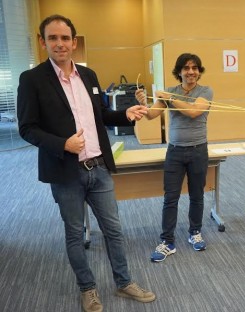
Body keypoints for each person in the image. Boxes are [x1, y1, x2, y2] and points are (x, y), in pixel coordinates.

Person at [16, 15, 155, 312]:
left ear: (74, 42)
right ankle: (88, 289)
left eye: (65, 38)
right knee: (75, 234)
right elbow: (27, 128)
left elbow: (100, 115)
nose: (60, 44)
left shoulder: (88, 75)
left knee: (114, 230)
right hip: (65, 172)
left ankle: (124, 281)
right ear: (43, 42)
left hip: (99, 168)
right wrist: (63, 144)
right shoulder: (33, 79)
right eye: (53, 38)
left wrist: (125, 114)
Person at [135, 53, 213, 262]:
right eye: (186, 68)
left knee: (197, 195)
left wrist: (170, 98)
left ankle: (195, 232)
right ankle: (167, 241)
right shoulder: (169, 92)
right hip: (175, 151)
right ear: (179, 72)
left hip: (198, 150)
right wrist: (143, 104)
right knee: (171, 198)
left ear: (199, 71)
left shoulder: (205, 91)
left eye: (195, 68)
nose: (191, 72)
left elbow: (194, 111)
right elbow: (152, 115)